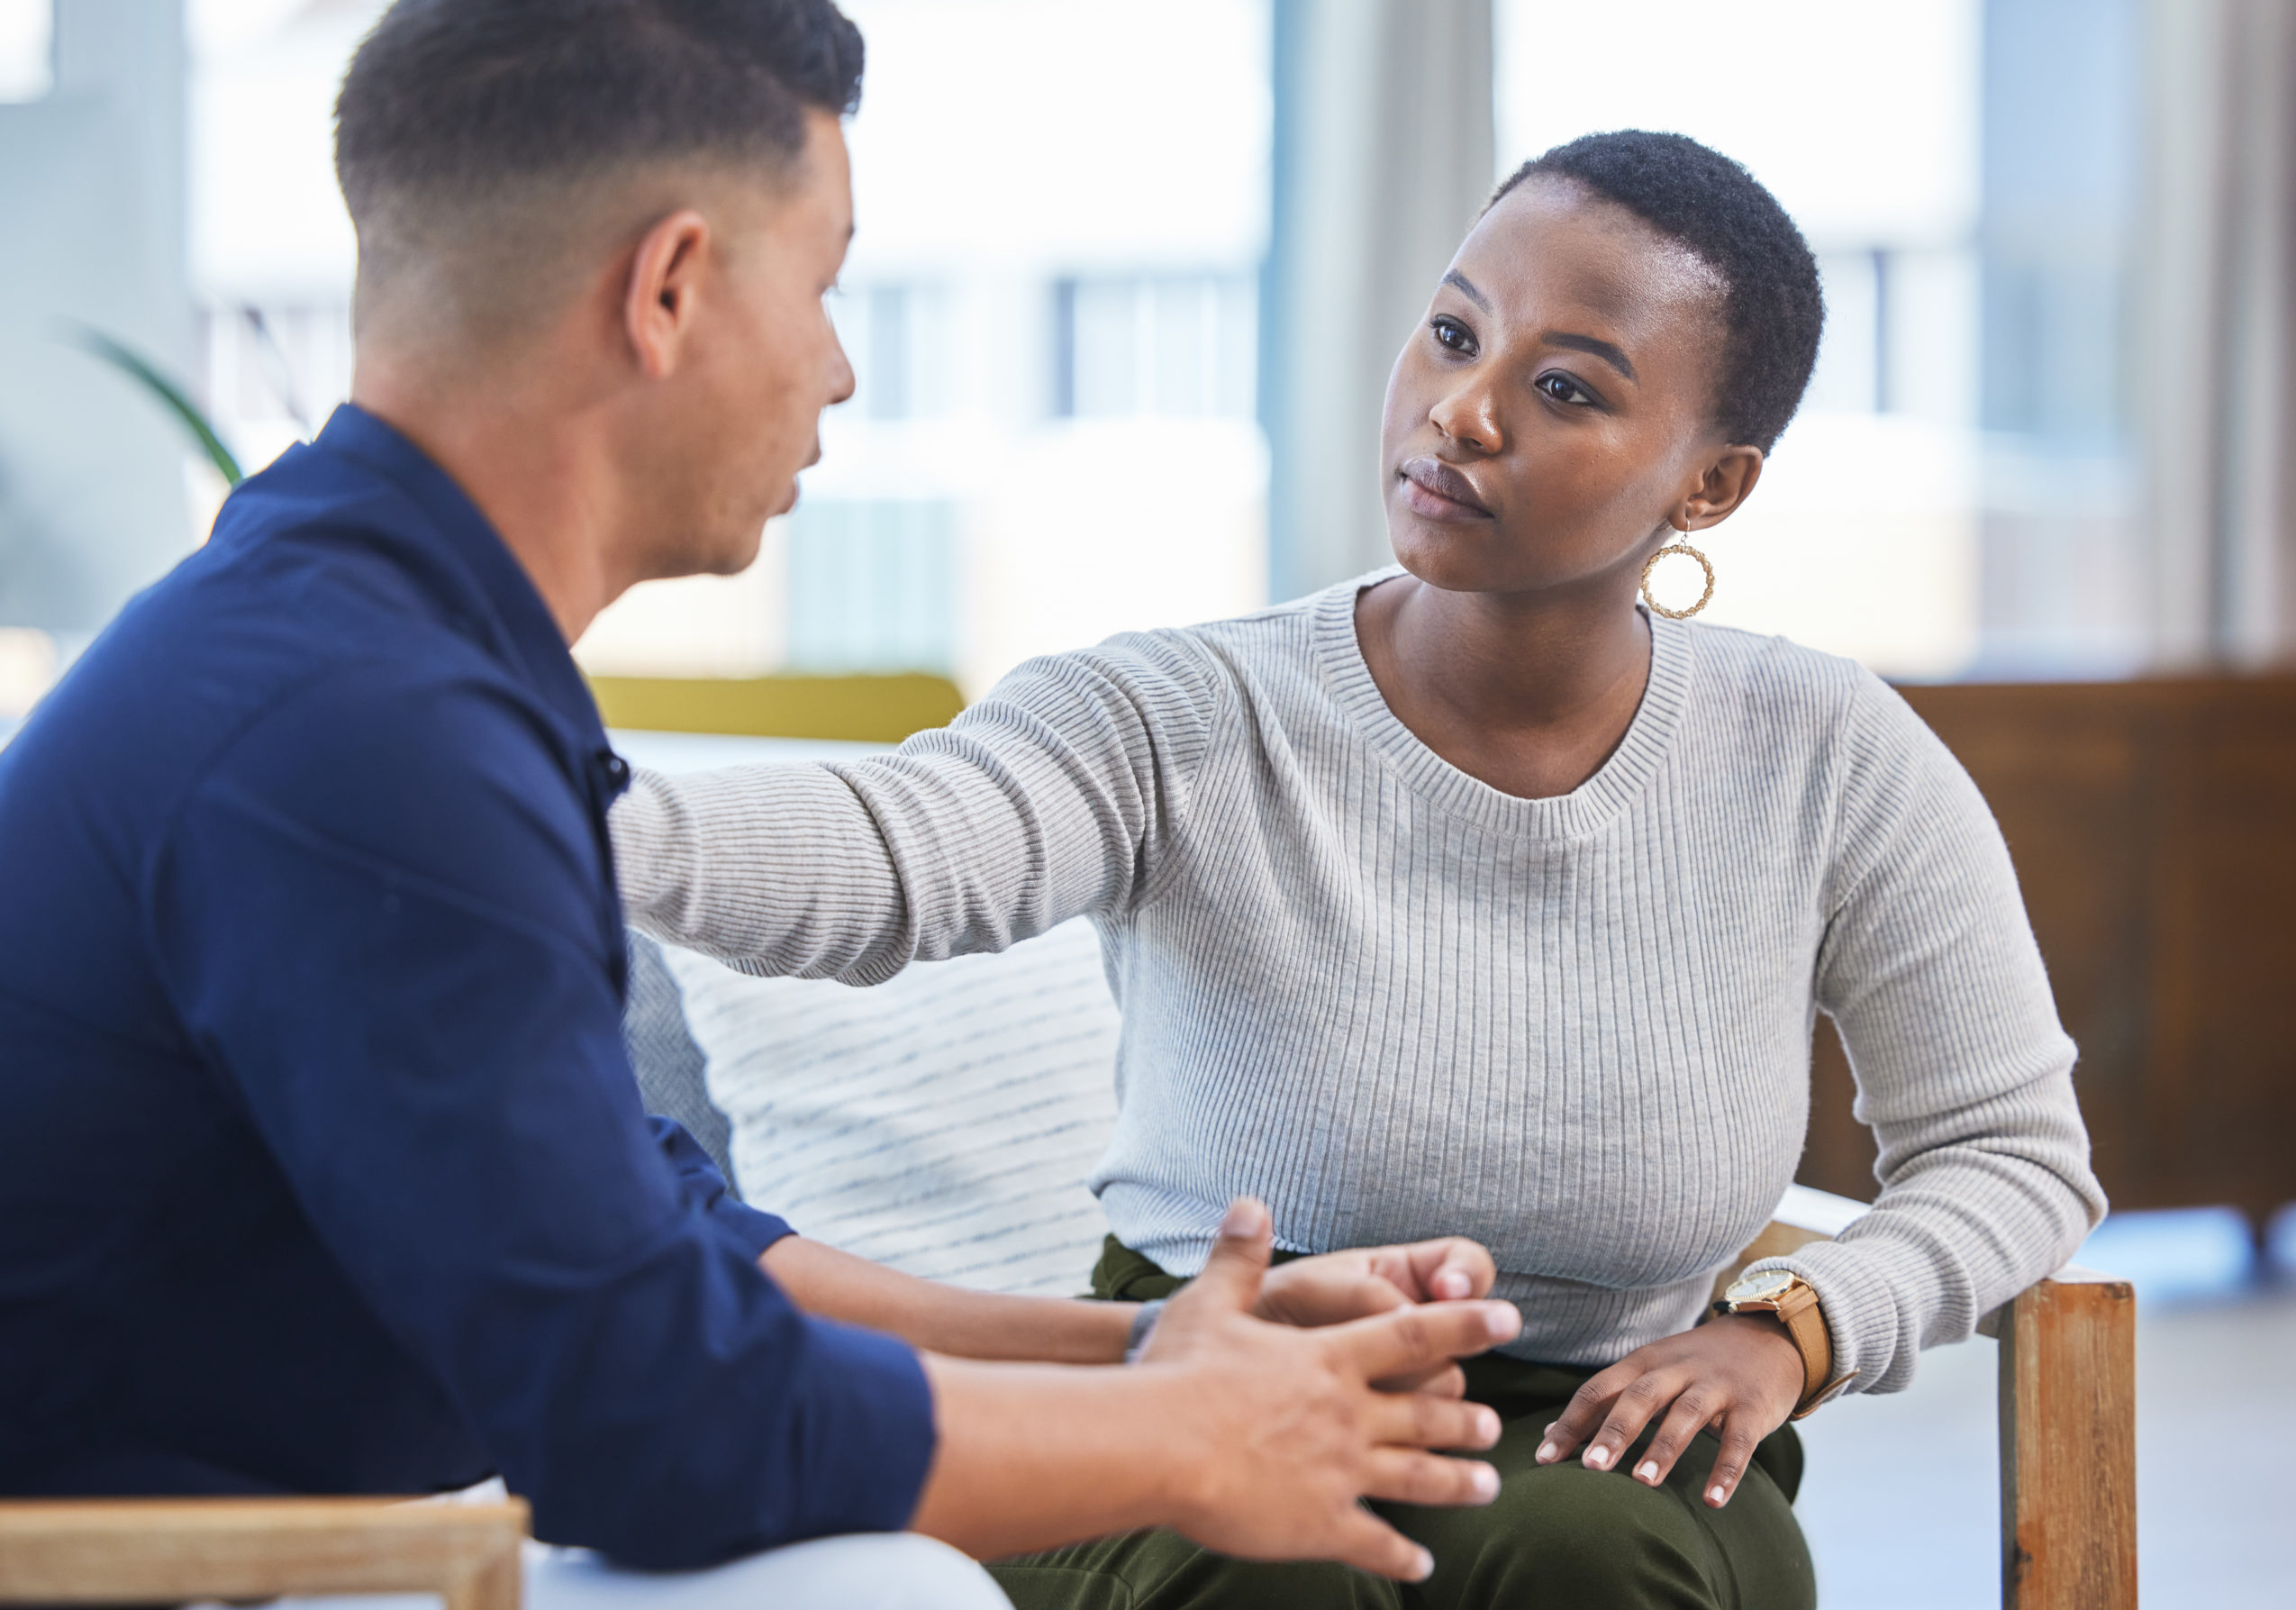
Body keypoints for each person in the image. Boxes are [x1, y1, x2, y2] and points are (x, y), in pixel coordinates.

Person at [0, 2, 1534, 1604]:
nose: (841, 366)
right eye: (821, 285)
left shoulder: (363, 639)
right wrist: (1196, 1442)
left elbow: (666, 1244)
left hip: (250, 1539)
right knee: (881, 1590)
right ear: (665, 292)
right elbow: (651, 1427)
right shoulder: (358, 727)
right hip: (108, 1571)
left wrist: (1142, 1352)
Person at [615, 131, 2110, 1607]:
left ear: (1709, 486)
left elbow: (2014, 1148)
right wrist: (552, 809)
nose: (1460, 412)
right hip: (1209, 1368)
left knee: (1603, 1559)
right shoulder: (1178, 711)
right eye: (1455, 332)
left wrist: (1795, 1328)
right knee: (1277, 1577)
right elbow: (904, 848)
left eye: (1566, 387)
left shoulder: (1828, 752)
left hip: (1601, 1418)